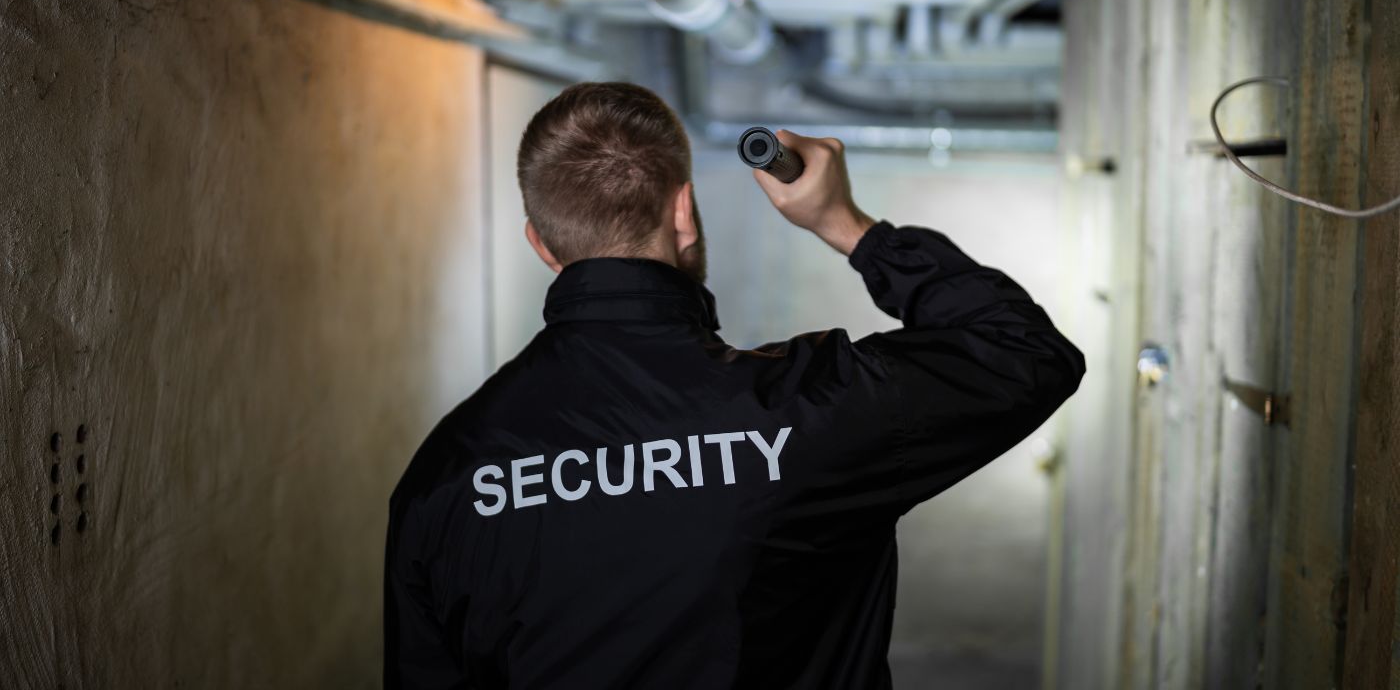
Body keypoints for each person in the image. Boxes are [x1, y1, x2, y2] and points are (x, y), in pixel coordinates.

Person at [384, 82, 1085, 689]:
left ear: (540, 242)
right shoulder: (812, 411)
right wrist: (846, 224)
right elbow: (1026, 351)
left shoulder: (444, 475)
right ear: (683, 214)